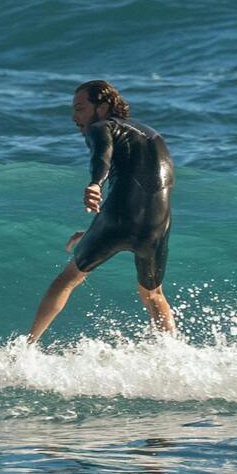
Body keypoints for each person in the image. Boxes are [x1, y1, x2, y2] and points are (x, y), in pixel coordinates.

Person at [28, 80, 177, 342]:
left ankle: (26, 348)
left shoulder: (101, 127)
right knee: (153, 294)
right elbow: (142, 193)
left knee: (68, 279)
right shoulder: (151, 134)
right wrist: (95, 227)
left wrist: (96, 183)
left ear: (103, 107)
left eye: (80, 108)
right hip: (155, 227)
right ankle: (174, 354)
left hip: (118, 219)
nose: (75, 118)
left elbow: (102, 156)